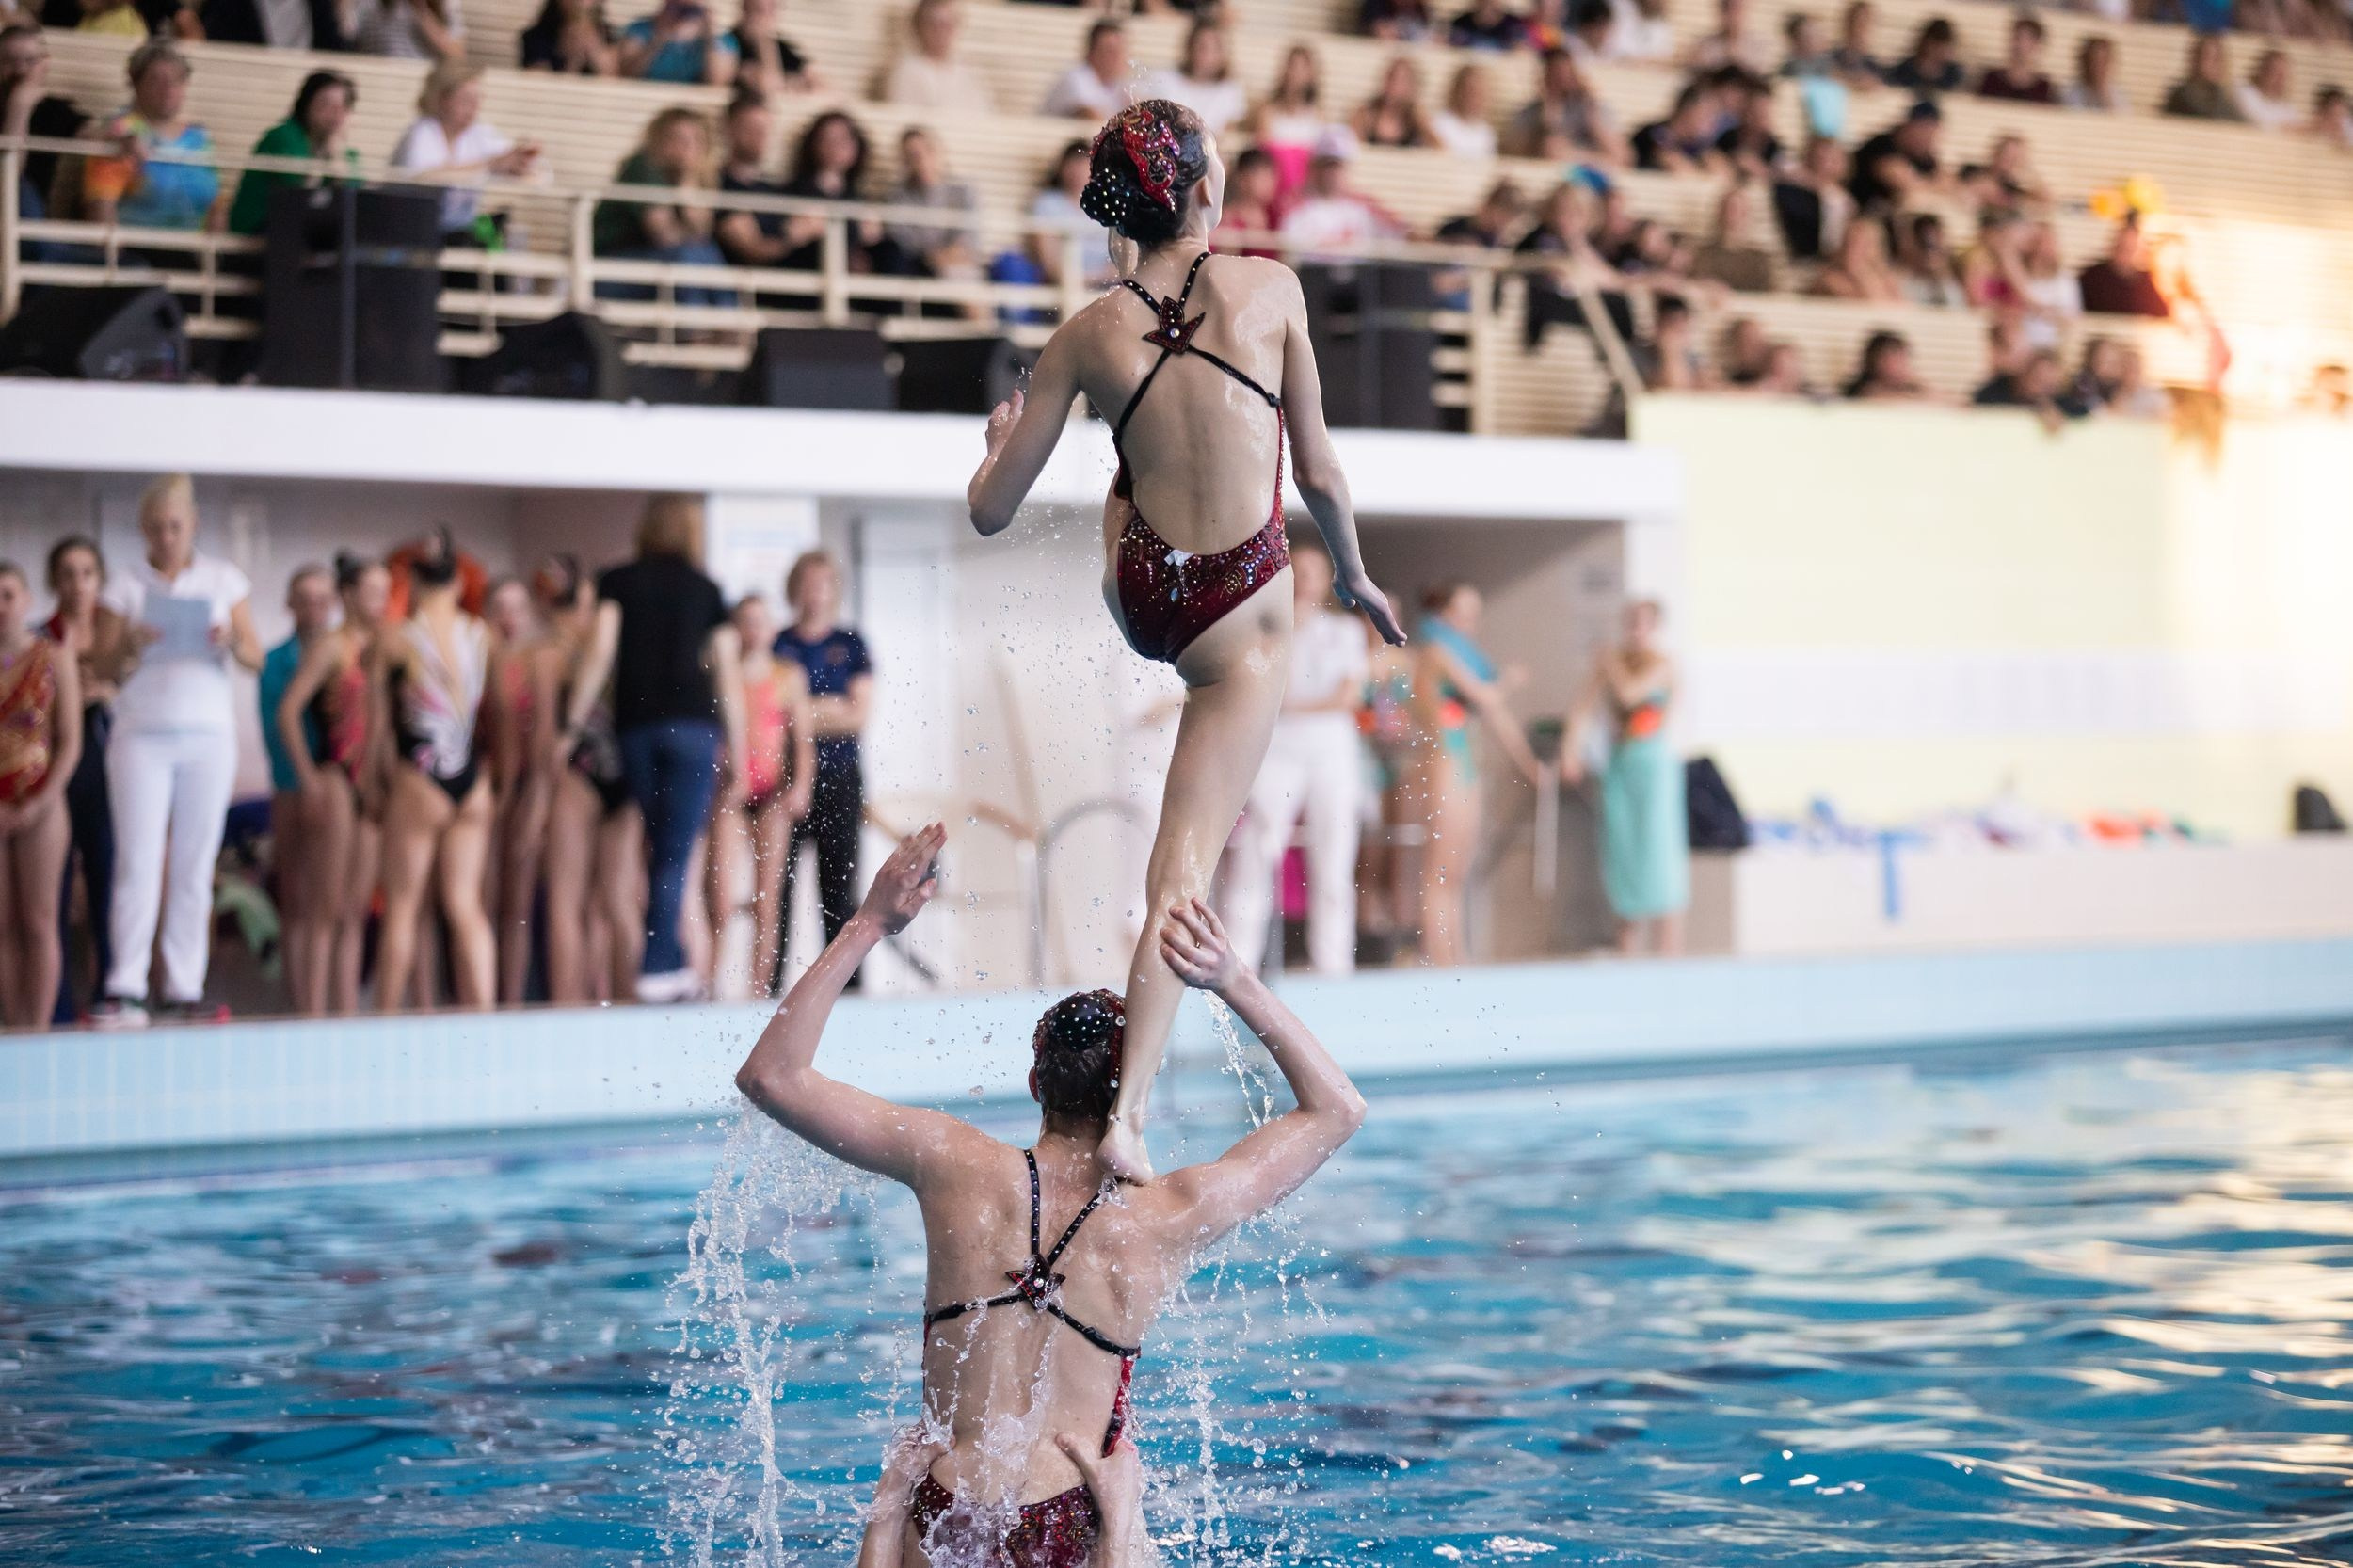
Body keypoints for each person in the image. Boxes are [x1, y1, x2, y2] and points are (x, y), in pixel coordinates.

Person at [968, 100, 1401, 1180]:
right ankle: (1128, 1117)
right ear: (1207, 191)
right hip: (1239, 615)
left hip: (1145, 589)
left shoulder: (1084, 332)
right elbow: (1322, 475)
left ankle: (1135, 493)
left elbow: (989, 512)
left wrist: (995, 450)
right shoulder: (1274, 289)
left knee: (1129, 480)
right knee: (1182, 876)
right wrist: (1350, 573)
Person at [733, 825, 1365, 1568]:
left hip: (942, 1502)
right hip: (1076, 1510)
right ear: (1137, 1091)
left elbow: (771, 1077)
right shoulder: (1169, 1214)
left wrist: (871, 922)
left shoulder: (953, 1164)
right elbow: (1336, 1110)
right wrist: (1232, 977)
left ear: (1036, 1085)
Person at [562, 496, 746, 1005]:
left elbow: (600, 652)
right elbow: (728, 675)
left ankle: (665, 961)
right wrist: (743, 747)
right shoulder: (706, 590)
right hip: (693, 728)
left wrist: (571, 723)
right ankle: (659, 964)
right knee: (674, 850)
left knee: (660, 846)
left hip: (637, 727)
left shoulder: (617, 580)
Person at [92, 475, 262, 1028]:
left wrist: (229, 640)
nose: (167, 537)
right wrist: (131, 645)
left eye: (176, 526)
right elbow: (101, 668)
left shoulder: (222, 579)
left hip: (207, 737)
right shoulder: (124, 585)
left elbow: (254, 656)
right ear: (144, 530)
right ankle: (127, 985)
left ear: (191, 527)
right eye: (157, 528)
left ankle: (184, 985)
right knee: (138, 861)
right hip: (141, 736)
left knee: (194, 864)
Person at [1223, 545, 1366, 979]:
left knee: (1334, 856)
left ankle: (1334, 965)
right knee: (1256, 851)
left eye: (1312, 573)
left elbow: (1347, 697)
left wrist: (1288, 706)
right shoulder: (1265, 630)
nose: (1304, 581)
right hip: (1278, 750)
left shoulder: (1344, 631)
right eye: (1296, 572)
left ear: (1326, 580)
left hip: (1330, 752)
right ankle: (1236, 964)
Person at [369, 529, 495, 1014]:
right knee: (465, 906)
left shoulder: (398, 638)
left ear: (413, 582)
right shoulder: (482, 636)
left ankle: (383, 1021)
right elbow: (496, 715)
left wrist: (373, 784)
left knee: (402, 907)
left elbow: (378, 729)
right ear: (461, 585)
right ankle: (485, 1017)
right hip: (472, 781)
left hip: (420, 776)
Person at [276, 552, 385, 1016]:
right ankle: (314, 1018)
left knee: (354, 912)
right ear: (349, 595)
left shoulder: (384, 646)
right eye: (373, 592)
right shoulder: (330, 647)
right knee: (324, 909)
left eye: (386, 592)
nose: (381, 601)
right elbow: (287, 713)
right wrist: (308, 779)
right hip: (336, 777)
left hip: (371, 785)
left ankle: (347, 1017)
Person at [1408, 583, 1537, 968]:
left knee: (1458, 871)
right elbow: (1486, 697)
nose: (1471, 623)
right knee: (1438, 870)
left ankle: (1455, 955)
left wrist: (1528, 764)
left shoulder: (1467, 658)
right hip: (1442, 762)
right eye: (1463, 613)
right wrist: (1510, 679)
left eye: (1475, 614)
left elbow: (1497, 716)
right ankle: (1438, 956)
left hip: (1464, 763)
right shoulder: (1436, 650)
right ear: (1443, 613)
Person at [539, 555, 643, 1006]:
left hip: (578, 771)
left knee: (568, 901)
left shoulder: (554, 654)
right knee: (619, 901)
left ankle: (570, 1007)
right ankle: (629, 1006)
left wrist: (534, 803)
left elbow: (548, 737)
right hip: (626, 769)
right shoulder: (632, 649)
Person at [770, 550, 871, 987]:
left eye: (823, 582)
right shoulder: (779, 644)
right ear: (795, 589)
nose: (815, 591)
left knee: (839, 888)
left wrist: (799, 710)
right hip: (786, 781)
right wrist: (826, 708)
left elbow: (858, 714)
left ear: (835, 589)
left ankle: (848, 989)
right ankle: (770, 987)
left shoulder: (850, 644)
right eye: (807, 582)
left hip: (841, 777)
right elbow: (769, 713)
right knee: (778, 890)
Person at [1565, 600, 1687, 957]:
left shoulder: (1664, 665)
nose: (1636, 630)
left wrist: (1608, 663)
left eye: (1643, 623)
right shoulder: (1615, 662)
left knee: (1659, 850)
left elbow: (1630, 693)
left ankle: (1669, 951)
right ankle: (1627, 948)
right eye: (1630, 622)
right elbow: (1581, 710)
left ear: (1656, 626)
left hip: (1653, 766)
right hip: (1620, 766)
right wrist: (1570, 752)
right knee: (1623, 851)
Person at [40, 538, 124, 1023]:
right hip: (58, 770)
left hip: (108, 770)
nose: (78, 584)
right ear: (54, 581)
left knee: (106, 880)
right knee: (54, 890)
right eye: (68, 573)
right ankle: (56, 1001)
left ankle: (108, 992)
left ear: (99, 578)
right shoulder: (40, 639)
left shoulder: (116, 636)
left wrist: (106, 690)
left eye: (87, 572)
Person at [709, 596, 810, 998]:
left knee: (767, 902)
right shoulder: (723, 674)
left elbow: (801, 740)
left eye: (759, 622)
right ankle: (712, 985)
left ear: (772, 630)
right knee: (719, 896)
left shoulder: (787, 675)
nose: (753, 631)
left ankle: (758, 993)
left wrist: (801, 786)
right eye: (745, 623)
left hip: (772, 793)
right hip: (732, 794)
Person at [0, 560, 81, 1031]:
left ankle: (39, 1029)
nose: (1, 606)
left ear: (28, 601)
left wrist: (39, 802)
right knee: (3, 926)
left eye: (9, 595)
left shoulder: (54, 657)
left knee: (39, 920)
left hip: (42, 801)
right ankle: (13, 1028)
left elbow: (70, 741)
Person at [258, 567, 337, 1016]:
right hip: (293, 788)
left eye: (322, 599)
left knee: (331, 904)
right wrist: (305, 782)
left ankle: (329, 1007)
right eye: (304, 598)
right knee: (298, 901)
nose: (313, 608)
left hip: (336, 789)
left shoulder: (346, 654)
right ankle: (303, 1007)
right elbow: (277, 732)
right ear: (290, 604)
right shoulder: (274, 663)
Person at [483, 575, 555, 1006]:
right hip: (481, 789)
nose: (509, 618)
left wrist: (536, 799)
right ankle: (478, 1001)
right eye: (500, 608)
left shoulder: (539, 661)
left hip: (524, 787)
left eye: (517, 608)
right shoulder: (478, 658)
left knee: (517, 909)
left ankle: (509, 1004)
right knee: (482, 904)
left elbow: (544, 740)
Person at [392, 62, 542, 248]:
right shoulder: (421, 132)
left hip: (457, 236)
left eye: (478, 99)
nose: (474, 107)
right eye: (466, 99)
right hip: (409, 234)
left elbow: (535, 173)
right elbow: (421, 178)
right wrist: (489, 166)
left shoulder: (479, 134)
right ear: (442, 99)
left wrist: (520, 163)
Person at [592, 108, 732, 308]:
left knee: (708, 253)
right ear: (660, 140)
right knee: (689, 257)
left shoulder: (695, 177)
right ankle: (694, 331)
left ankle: (729, 328)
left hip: (656, 268)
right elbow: (664, 237)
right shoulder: (642, 167)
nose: (688, 147)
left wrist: (686, 183)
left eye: (696, 140)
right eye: (679, 139)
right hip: (608, 270)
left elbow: (702, 233)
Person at [84, 40, 220, 234]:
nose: (168, 89)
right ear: (135, 84)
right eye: (156, 80)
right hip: (136, 250)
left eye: (176, 80)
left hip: (193, 254)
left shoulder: (199, 137)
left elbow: (215, 205)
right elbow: (100, 207)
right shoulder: (120, 132)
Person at [228, 71, 359, 237]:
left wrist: (338, 158)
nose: (336, 113)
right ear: (306, 104)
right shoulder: (283, 137)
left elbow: (356, 203)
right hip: (258, 233)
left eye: (343, 106)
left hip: (305, 237)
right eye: (326, 104)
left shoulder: (347, 154)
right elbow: (299, 195)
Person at [1501, 46, 1625, 164]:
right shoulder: (1531, 112)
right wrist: (1549, 120)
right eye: (1556, 74)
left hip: (1592, 164)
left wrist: (1593, 119)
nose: (1563, 79)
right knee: (1551, 146)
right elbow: (1513, 152)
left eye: (1568, 72)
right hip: (1555, 170)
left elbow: (1621, 157)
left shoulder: (1595, 107)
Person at [1247, 43, 1331, 204]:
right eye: (1292, 67)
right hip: (1274, 189)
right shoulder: (1267, 113)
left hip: (1305, 190)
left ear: (1312, 75)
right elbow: (1263, 157)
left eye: (1302, 68)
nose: (1296, 74)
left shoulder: (1319, 116)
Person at [884, 0, 993, 116]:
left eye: (946, 25)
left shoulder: (969, 72)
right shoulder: (907, 72)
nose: (940, 32)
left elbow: (986, 115)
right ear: (919, 28)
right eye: (933, 25)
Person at [1144, 19, 1245, 139]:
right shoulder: (1163, 78)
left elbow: (1227, 133)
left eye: (1214, 48)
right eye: (1202, 46)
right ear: (1189, 47)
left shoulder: (1230, 91)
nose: (1206, 54)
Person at [1848, 100, 1947, 215]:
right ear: (1912, 126)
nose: (1930, 139)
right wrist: (1930, 186)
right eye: (1927, 132)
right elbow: (1905, 185)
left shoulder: (1923, 155)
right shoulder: (1882, 145)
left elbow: (1947, 184)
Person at [1772, 134, 1851, 261]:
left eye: (1831, 159)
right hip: (1808, 258)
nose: (1824, 164)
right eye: (1820, 158)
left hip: (1835, 257)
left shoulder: (1843, 198)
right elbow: (1781, 167)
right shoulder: (1793, 191)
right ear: (1809, 158)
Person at [618, 0, 736, 84]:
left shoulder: (721, 39)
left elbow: (716, 83)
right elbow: (628, 74)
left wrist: (709, 34)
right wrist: (661, 35)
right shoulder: (639, 30)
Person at [2077, 216, 2169, 317]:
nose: (2125, 255)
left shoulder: (2150, 281)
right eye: (2122, 247)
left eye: (2131, 249)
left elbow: (2162, 314)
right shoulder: (2092, 277)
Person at [1043, 19, 1132, 120]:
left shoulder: (1119, 85)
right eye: (1110, 51)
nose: (1118, 57)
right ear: (1091, 53)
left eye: (1121, 50)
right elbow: (1090, 116)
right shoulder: (1075, 77)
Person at [729, 0, 810, 96]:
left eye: (772, 8)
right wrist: (762, 41)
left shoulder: (782, 47)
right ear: (745, 8)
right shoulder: (729, 44)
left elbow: (820, 84)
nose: (767, 15)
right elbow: (768, 85)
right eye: (760, 10)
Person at [1352, 55, 1434, 148]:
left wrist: (1421, 120)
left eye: (1403, 80)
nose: (1395, 85)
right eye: (1392, 77)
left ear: (1412, 86)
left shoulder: (1417, 118)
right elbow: (1353, 149)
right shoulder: (1365, 114)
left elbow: (1441, 150)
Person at [1810, 214, 1900, 300]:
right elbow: (1869, 304)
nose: (1854, 250)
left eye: (1864, 245)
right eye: (1850, 243)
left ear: (1877, 249)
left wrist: (1863, 273)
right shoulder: (1829, 280)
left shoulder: (1889, 281)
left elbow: (1893, 308)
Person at [519, 0, 616, 73]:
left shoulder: (608, 36)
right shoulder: (536, 37)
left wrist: (596, 53)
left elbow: (613, 82)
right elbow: (537, 82)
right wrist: (572, 62)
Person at [1976, 13, 2054, 104]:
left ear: (2037, 46)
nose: (2019, 45)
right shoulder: (1991, 80)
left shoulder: (2044, 89)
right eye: (2017, 38)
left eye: (2027, 40)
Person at [2164, 35, 2244, 122]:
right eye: (2206, 58)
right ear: (2195, 60)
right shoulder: (2182, 95)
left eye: (2216, 59)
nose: (2211, 65)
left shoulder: (2226, 98)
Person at [347, 0, 461, 60]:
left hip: (420, 76)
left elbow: (456, 54)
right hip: (375, 75)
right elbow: (347, 36)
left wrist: (422, 11)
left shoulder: (444, 4)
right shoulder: (369, 4)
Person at [1430, 61, 1497, 158]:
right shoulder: (1439, 123)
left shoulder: (1487, 133)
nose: (1474, 97)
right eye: (1470, 90)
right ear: (1458, 90)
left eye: (1479, 92)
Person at [1886, 17, 1962, 96]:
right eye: (1936, 46)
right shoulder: (1904, 70)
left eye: (1944, 47)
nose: (1939, 52)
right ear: (1926, 43)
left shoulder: (1954, 74)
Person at [1843, 328, 1928, 399]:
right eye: (1895, 360)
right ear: (1874, 362)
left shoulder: (1911, 388)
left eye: (1903, 359)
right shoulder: (1863, 392)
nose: (1901, 366)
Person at [2240, 48, 2299, 130]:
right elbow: (2257, 125)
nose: (2279, 80)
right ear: (2262, 72)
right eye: (2275, 73)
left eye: (2283, 75)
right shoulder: (2245, 93)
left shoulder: (2287, 108)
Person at [1829, 0, 1883, 87]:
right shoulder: (1830, 58)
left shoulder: (1873, 67)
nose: (1859, 30)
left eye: (1864, 24)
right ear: (1847, 25)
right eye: (1856, 23)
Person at [2062, 34, 2123, 111]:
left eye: (2105, 61)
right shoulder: (2073, 94)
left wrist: (2105, 93)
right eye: (2095, 61)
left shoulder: (2117, 94)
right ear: (2086, 63)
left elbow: (2121, 119)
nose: (2100, 67)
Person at [1449, 0, 1527, 49]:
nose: (1488, 3)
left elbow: (1520, 49)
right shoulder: (1461, 22)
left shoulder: (1513, 24)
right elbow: (1453, 46)